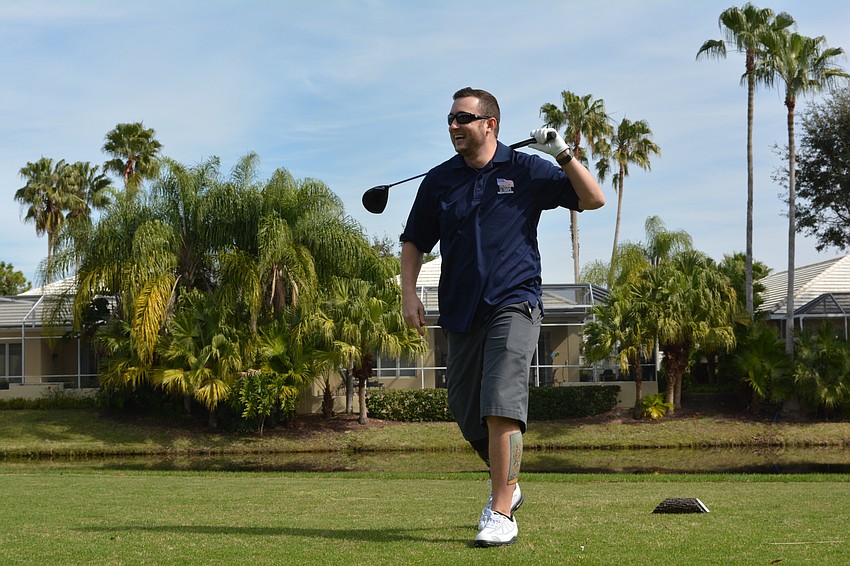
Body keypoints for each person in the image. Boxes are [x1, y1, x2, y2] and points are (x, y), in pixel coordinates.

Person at [399, 87, 605, 547]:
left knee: (500, 402)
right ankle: (509, 484)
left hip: (515, 303)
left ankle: (500, 510)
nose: (453, 126)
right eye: (449, 119)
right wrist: (408, 292)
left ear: (489, 123)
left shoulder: (526, 168)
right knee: (463, 408)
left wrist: (563, 154)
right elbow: (414, 241)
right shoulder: (438, 180)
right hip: (459, 309)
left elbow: (593, 200)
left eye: (462, 118)